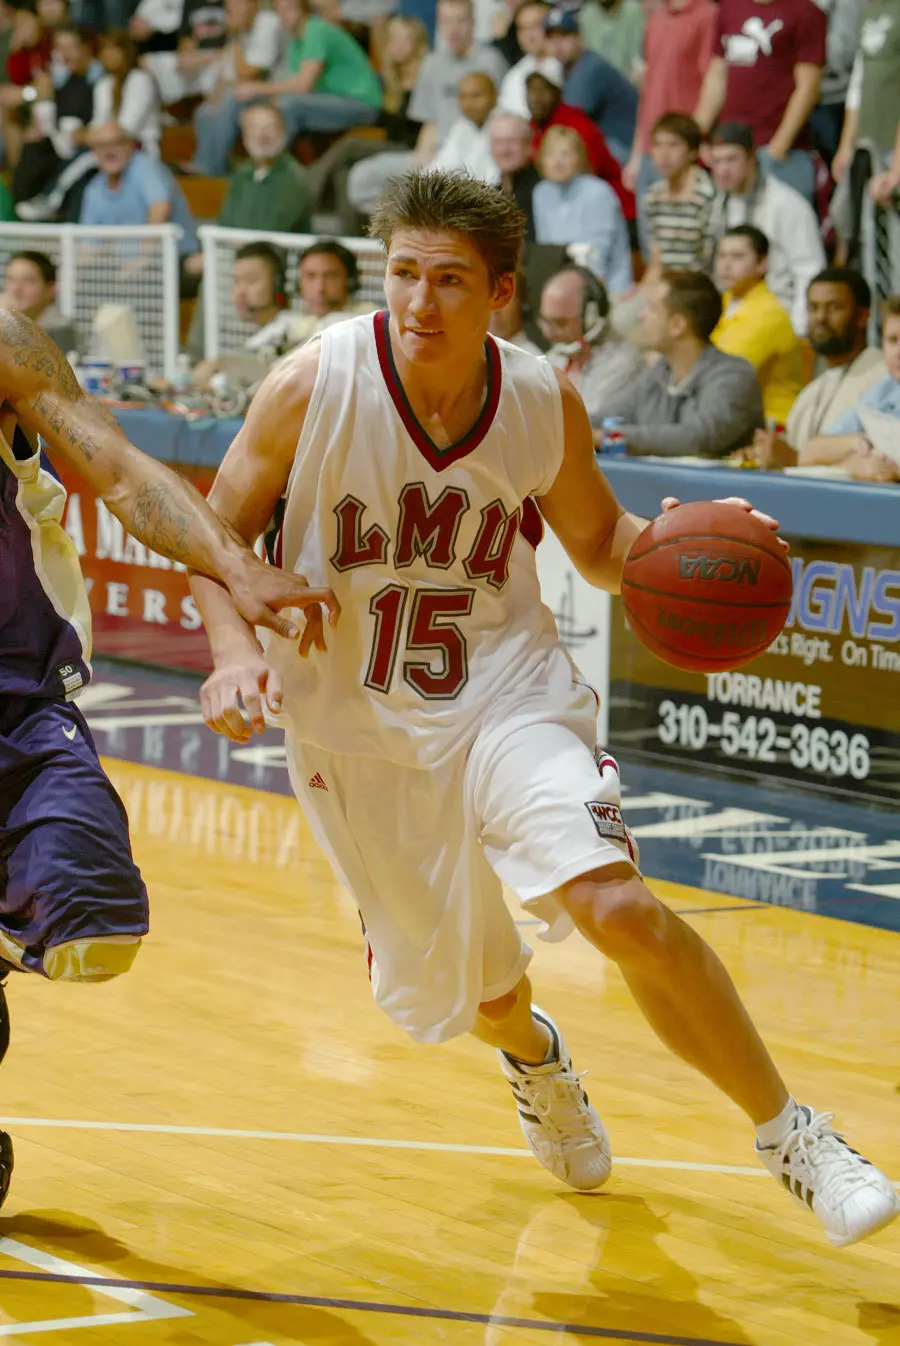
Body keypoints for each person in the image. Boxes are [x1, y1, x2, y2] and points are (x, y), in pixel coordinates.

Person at [190, 168, 900, 1250]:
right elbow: (216, 534)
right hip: (356, 730)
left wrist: (692, 537)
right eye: (403, 275)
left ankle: (793, 1132)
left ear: (503, 295)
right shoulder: (313, 381)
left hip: (504, 692)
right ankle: (536, 1056)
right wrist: (234, 652)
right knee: (479, 996)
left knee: (616, 904)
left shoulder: (537, 396)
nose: (419, 302)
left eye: (449, 281)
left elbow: (607, 549)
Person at [0, 306, 340, 1210]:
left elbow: (115, 466)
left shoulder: (3, 339)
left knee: (97, 930)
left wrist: (235, 565)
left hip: (17, 701)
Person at [346, 0, 508, 218]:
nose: (454, 28)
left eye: (460, 20)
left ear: (473, 23)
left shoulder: (491, 61)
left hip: (475, 156)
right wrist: (423, 157)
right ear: (439, 24)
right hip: (435, 154)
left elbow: (501, 116)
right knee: (361, 179)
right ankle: (410, 225)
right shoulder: (432, 63)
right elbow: (429, 120)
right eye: (447, 21)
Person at [591, 268, 765, 455]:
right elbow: (606, 415)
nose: (641, 315)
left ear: (677, 325)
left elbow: (699, 437)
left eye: (652, 309)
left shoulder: (734, 376)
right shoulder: (660, 373)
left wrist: (610, 438)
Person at [304, 14, 429, 232]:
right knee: (345, 169)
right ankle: (350, 234)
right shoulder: (389, 81)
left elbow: (414, 130)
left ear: (417, 44)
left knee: (349, 145)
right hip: (391, 145)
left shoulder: (426, 78)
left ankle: (305, 187)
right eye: (394, 39)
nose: (398, 46)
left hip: (413, 149)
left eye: (405, 39)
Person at [748, 267, 884, 464]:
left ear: (862, 317)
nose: (820, 317)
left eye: (834, 307)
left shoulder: (884, 376)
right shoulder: (811, 392)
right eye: (813, 307)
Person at [695, 0, 827, 202]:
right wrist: (696, 135)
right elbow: (716, 78)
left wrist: (777, 148)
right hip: (732, 150)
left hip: (782, 155)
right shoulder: (730, 8)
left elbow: (808, 88)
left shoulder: (805, 11)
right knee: (735, 229)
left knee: (784, 229)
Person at [707, 122, 825, 335]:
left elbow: (809, 270)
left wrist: (799, 330)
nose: (723, 170)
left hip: (778, 314)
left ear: (752, 158)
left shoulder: (786, 204)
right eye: (717, 161)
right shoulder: (719, 204)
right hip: (732, 313)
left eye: (732, 159)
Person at [79, 122, 200, 294]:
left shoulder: (145, 167)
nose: (109, 151)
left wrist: (141, 260)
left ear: (130, 145)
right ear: (93, 151)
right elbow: (88, 244)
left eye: (116, 143)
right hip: (123, 267)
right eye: (101, 146)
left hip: (173, 260)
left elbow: (160, 209)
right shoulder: (94, 188)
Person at [621, 0, 718, 204]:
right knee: (650, 234)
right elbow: (647, 89)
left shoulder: (708, 15)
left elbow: (715, 83)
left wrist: (693, 140)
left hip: (683, 151)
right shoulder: (656, 17)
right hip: (650, 150)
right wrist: (636, 154)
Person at [712, 224, 807, 425]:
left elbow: (722, 376)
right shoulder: (721, 302)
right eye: (721, 255)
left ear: (762, 263)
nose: (726, 264)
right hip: (731, 415)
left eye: (738, 256)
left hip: (771, 425)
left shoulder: (768, 313)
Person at [799, 294, 900, 481]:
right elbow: (809, 453)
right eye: (892, 340)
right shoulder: (884, 390)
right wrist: (858, 444)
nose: (898, 352)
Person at [524, 67, 635, 223]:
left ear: (557, 93)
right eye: (530, 91)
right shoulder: (533, 127)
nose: (535, 98)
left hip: (616, 209)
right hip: (566, 209)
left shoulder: (576, 124)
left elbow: (585, 174)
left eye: (543, 90)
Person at [532, 125, 632, 294]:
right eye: (550, 154)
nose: (558, 161)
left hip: (606, 289)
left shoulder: (598, 192)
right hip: (558, 286)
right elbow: (546, 250)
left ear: (579, 158)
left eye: (566, 154)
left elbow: (596, 258)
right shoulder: (541, 192)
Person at [13, 23, 98, 219]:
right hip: (63, 145)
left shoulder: (99, 78)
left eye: (70, 48)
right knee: (32, 148)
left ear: (86, 48)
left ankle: (50, 201)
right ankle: (22, 220)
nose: (64, 54)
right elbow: (50, 122)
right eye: (59, 48)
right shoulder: (64, 81)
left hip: (88, 149)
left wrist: (85, 134)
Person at [237, 238, 376, 356]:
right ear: (300, 282)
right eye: (311, 276)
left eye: (331, 276)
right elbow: (248, 352)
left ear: (350, 280)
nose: (320, 288)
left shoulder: (368, 320)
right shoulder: (297, 323)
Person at [537, 265, 645, 415]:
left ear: (591, 317)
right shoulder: (554, 358)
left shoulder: (623, 363)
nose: (547, 333)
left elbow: (585, 421)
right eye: (545, 321)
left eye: (560, 323)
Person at [543, 9, 637, 166]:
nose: (557, 45)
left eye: (564, 36)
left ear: (579, 38)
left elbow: (568, 120)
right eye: (551, 38)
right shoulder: (570, 67)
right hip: (614, 143)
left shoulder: (590, 68)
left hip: (624, 146)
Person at [191, 241, 289, 385]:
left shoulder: (292, 330)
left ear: (277, 285)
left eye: (251, 281)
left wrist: (223, 364)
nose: (240, 292)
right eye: (236, 281)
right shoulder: (258, 336)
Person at [641, 112, 716, 272]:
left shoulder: (707, 194)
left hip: (699, 284)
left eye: (673, 145)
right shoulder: (653, 196)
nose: (664, 154)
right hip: (668, 285)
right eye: (657, 145)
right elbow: (656, 264)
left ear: (693, 151)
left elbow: (711, 260)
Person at [92, 28, 159, 156]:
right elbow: (98, 121)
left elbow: (128, 127)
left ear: (126, 52)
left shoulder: (141, 80)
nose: (107, 55)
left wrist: (96, 135)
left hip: (140, 150)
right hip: (106, 149)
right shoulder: (103, 84)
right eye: (104, 50)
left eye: (113, 49)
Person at [0, 249, 80, 353]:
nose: (16, 289)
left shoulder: (61, 328)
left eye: (27, 281)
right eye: (11, 280)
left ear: (50, 288)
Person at [430, 72, 500, 182]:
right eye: (463, 96)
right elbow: (440, 167)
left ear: (494, 96)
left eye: (475, 96)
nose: (468, 103)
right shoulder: (461, 126)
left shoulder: (507, 127)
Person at [496, 0, 555, 119]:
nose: (529, 35)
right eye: (522, 28)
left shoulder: (568, 65)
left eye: (536, 25)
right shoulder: (514, 76)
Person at [489, 109, 539, 237]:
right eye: (498, 142)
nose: (504, 149)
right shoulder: (492, 193)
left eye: (512, 141)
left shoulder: (542, 190)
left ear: (528, 145)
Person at [578, 0, 645, 81]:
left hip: (627, 81)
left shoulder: (633, 10)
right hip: (598, 82)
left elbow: (639, 57)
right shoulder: (587, 14)